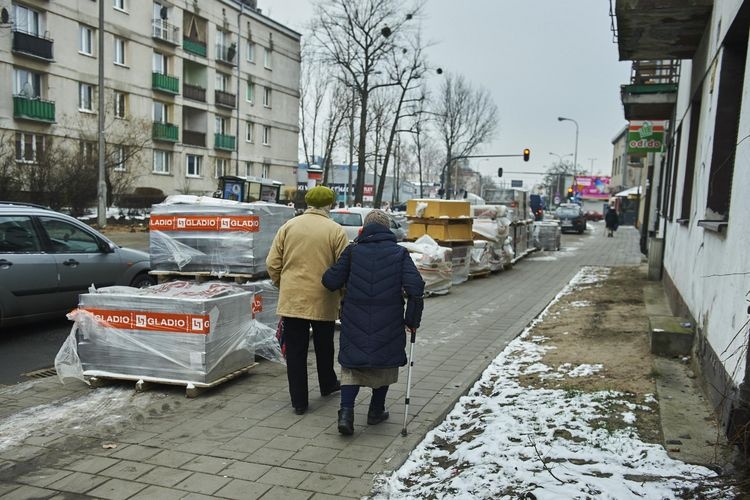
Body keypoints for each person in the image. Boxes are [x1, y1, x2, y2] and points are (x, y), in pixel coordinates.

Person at [322, 210, 425, 435]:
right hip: (388, 317)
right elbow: (416, 288)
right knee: (384, 362)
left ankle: (346, 414)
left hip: (354, 317)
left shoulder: (352, 252)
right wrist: (412, 320)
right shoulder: (399, 253)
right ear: (387, 229)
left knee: (351, 364)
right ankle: (375, 411)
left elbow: (330, 281)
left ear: (364, 229)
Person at [266, 186, 349, 415]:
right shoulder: (336, 231)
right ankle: (327, 384)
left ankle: (299, 401)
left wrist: (284, 285)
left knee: (295, 351)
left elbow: (273, 263)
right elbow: (343, 268)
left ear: (308, 203)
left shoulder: (288, 227)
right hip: (324, 298)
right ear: (329, 204)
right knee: (325, 345)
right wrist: (341, 295)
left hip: (293, 299)